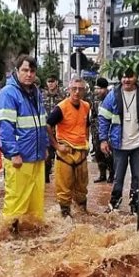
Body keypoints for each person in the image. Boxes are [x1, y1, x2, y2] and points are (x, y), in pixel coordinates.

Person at [0, 55, 49, 229]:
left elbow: (42, 122)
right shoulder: (8, 93)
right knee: (15, 201)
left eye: (32, 71)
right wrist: (13, 153)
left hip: (37, 156)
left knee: (35, 201)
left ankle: (31, 240)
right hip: (19, 157)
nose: (29, 74)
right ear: (17, 71)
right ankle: (8, 237)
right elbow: (5, 127)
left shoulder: (35, 92)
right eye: (25, 70)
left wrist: (45, 146)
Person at [98, 68, 139, 214]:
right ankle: (114, 202)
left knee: (138, 176)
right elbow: (103, 118)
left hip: (138, 144)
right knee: (118, 177)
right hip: (119, 144)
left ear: (136, 77)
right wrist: (103, 139)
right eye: (124, 77)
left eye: (130, 77)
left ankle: (135, 205)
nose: (126, 80)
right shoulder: (113, 95)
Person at [47, 77, 92, 217]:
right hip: (65, 152)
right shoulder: (61, 107)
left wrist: (87, 141)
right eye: (74, 89)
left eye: (80, 89)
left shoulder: (86, 106)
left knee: (82, 187)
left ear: (84, 91)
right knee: (64, 188)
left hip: (81, 152)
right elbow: (47, 125)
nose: (77, 92)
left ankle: (82, 214)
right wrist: (56, 146)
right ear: (69, 90)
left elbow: (87, 125)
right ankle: (65, 217)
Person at [90, 77, 114, 183]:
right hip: (96, 132)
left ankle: (112, 174)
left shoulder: (111, 98)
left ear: (105, 88)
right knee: (98, 154)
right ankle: (102, 174)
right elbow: (93, 115)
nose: (98, 91)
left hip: (108, 133)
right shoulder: (95, 100)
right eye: (97, 88)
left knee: (108, 154)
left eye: (100, 88)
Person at [42, 76, 64, 183]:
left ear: (56, 82)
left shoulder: (63, 96)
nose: (50, 84)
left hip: (60, 131)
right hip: (46, 131)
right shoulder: (42, 96)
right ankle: (46, 179)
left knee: (62, 156)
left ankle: (61, 180)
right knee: (47, 157)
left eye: (52, 81)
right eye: (48, 81)